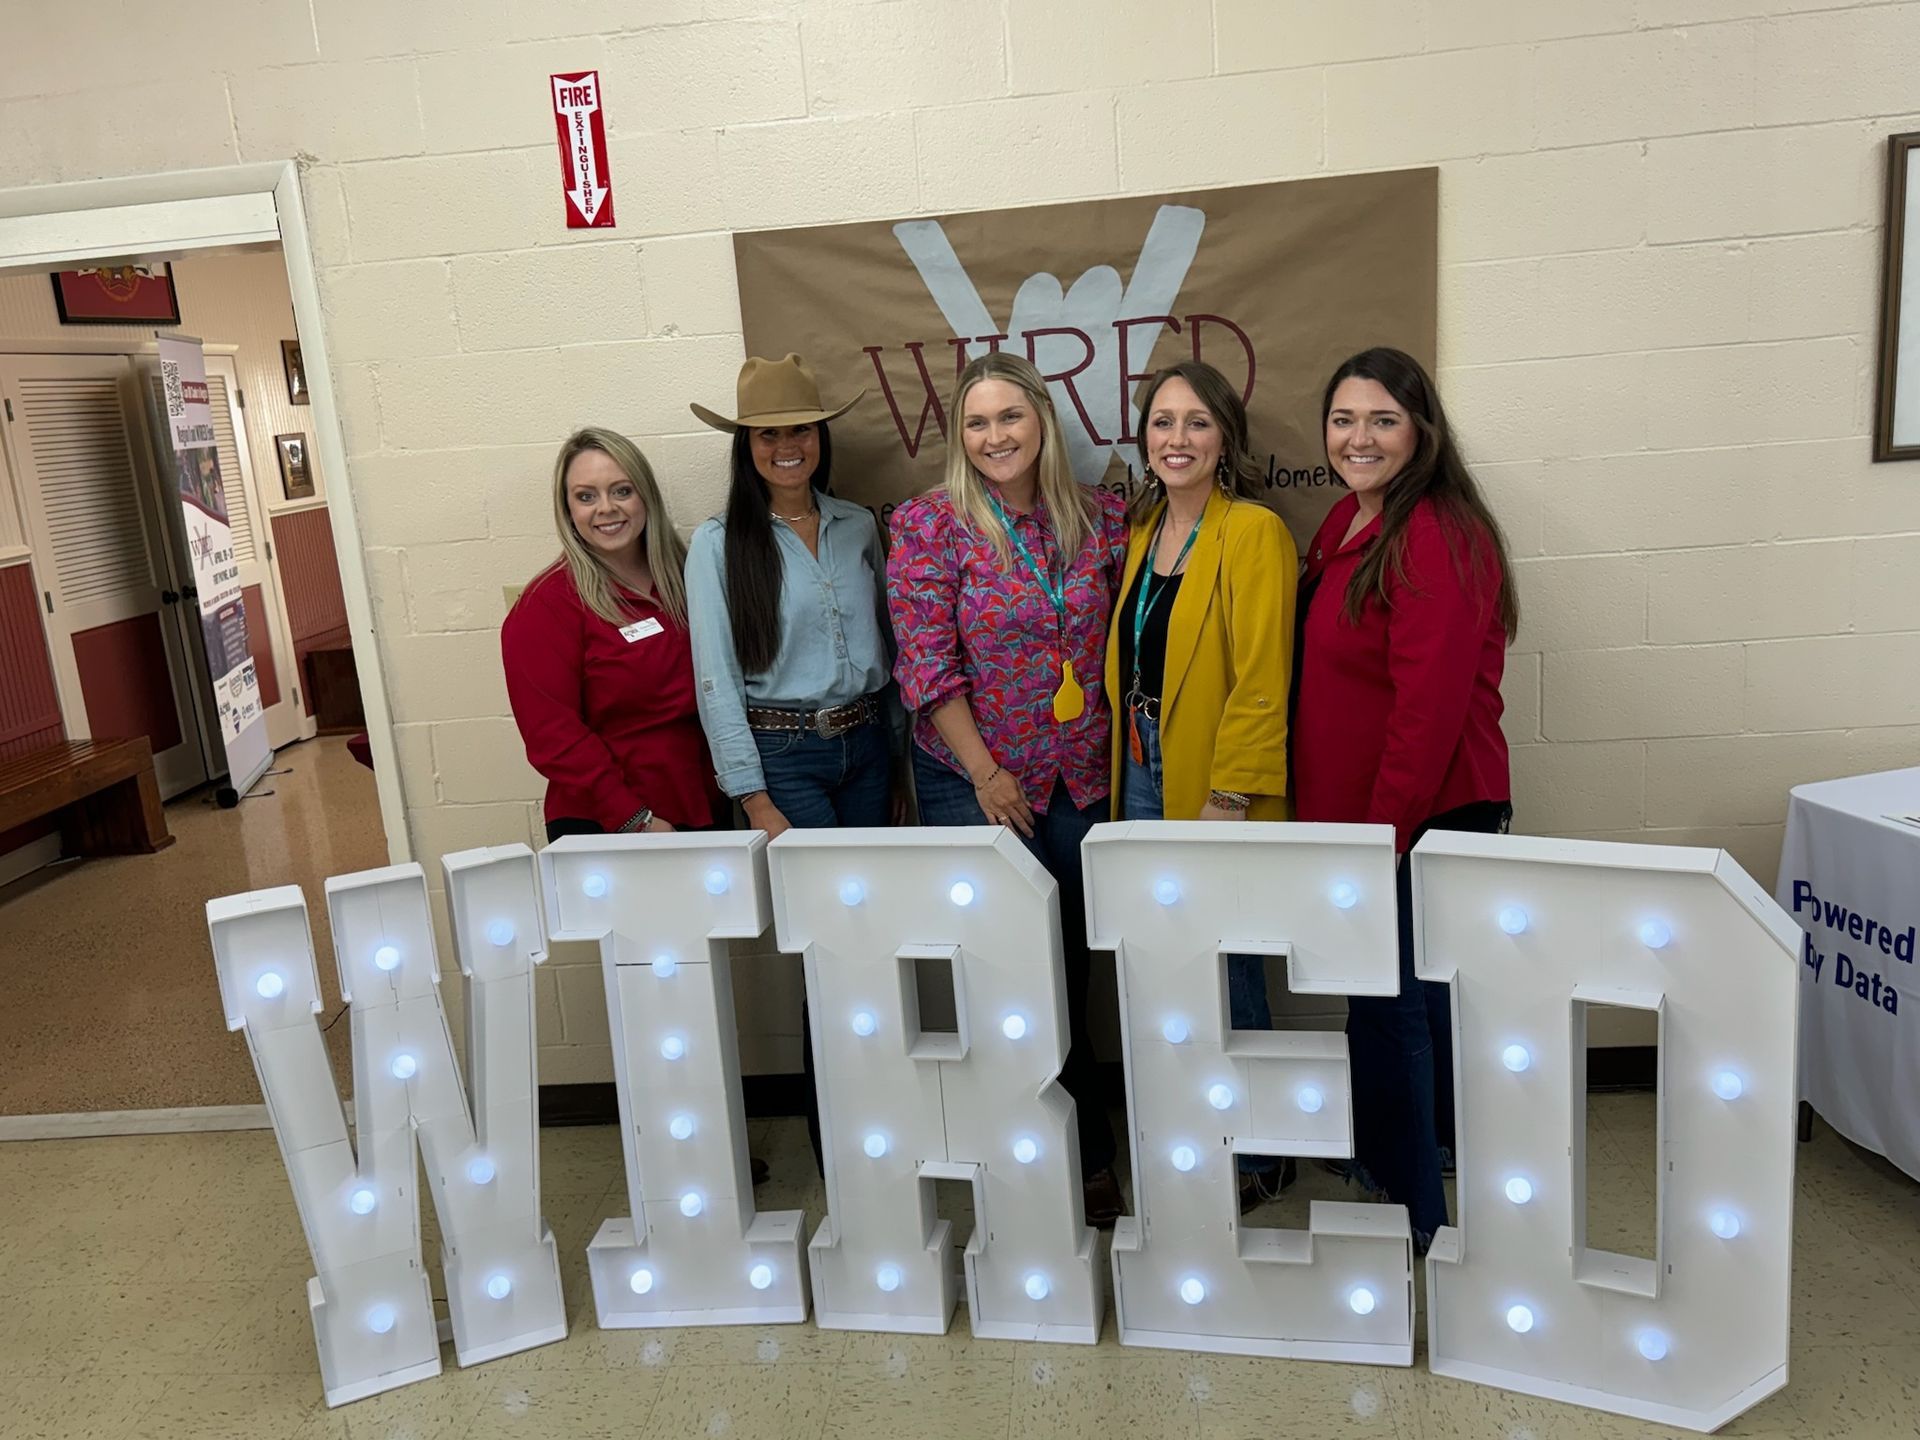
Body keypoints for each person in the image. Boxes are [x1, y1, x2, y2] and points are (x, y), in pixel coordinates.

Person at [886, 351, 1130, 1225]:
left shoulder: (1096, 519)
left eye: (1011, 418)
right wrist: (986, 773)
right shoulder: (929, 525)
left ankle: (1075, 1142)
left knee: (1071, 965)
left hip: (1082, 777)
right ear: (960, 436)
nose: (996, 436)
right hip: (979, 778)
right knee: (1004, 976)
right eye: (978, 423)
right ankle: (1039, 1161)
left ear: (1043, 423)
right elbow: (926, 668)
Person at [1293, 347, 1519, 1249]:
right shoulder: (1350, 520)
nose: (1360, 438)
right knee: (1383, 1007)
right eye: (1344, 419)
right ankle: (1395, 1165)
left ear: (1421, 429)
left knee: (1400, 1015)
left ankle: (1424, 1223)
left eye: (1383, 419)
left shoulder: (1437, 531)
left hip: (1422, 818)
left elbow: (1425, 712)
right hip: (1361, 821)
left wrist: (1381, 836)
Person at [685, 354, 900, 1167]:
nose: (786, 446)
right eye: (768, 433)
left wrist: (901, 763)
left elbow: (888, 651)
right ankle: (840, 1137)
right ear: (745, 446)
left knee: (874, 939)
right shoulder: (717, 545)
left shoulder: (857, 527)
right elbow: (715, 679)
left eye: (800, 430)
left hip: (868, 749)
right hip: (786, 762)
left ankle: (883, 1113)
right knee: (830, 946)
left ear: (820, 438)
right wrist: (754, 797)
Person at [1104, 360, 1298, 1214]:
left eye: (1196, 423)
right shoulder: (1147, 532)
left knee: (1232, 968)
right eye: (1162, 423)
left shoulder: (1253, 532)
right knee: (1172, 963)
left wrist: (1231, 794)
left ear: (1226, 439)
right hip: (1144, 769)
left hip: (1215, 783)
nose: (1176, 439)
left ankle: (1261, 1152)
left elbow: (1262, 679)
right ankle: (1196, 1128)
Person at [502, 426, 721, 842]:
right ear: (568, 510)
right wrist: (634, 818)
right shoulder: (546, 606)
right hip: (613, 823)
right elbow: (553, 735)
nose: (606, 508)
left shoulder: (685, 575)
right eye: (586, 496)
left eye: (621, 491)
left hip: (701, 804)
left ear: (645, 497)